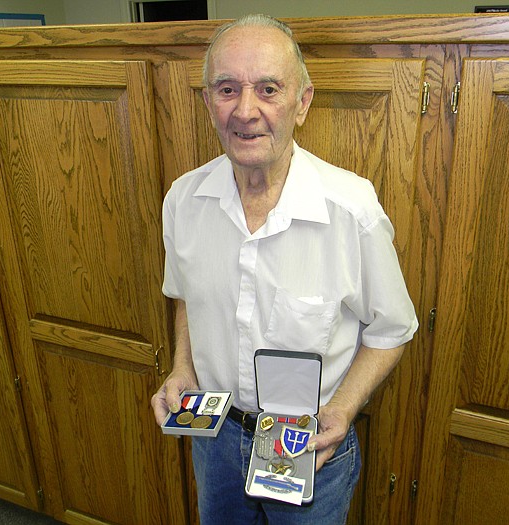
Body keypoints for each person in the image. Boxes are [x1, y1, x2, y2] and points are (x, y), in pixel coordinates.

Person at [151, 13, 418, 525]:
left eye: (268, 89)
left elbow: (392, 329)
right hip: (217, 439)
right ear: (208, 103)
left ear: (303, 102)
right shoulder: (183, 200)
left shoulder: (351, 208)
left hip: (310, 444)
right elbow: (185, 293)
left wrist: (341, 410)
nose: (245, 110)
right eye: (227, 89)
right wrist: (184, 367)